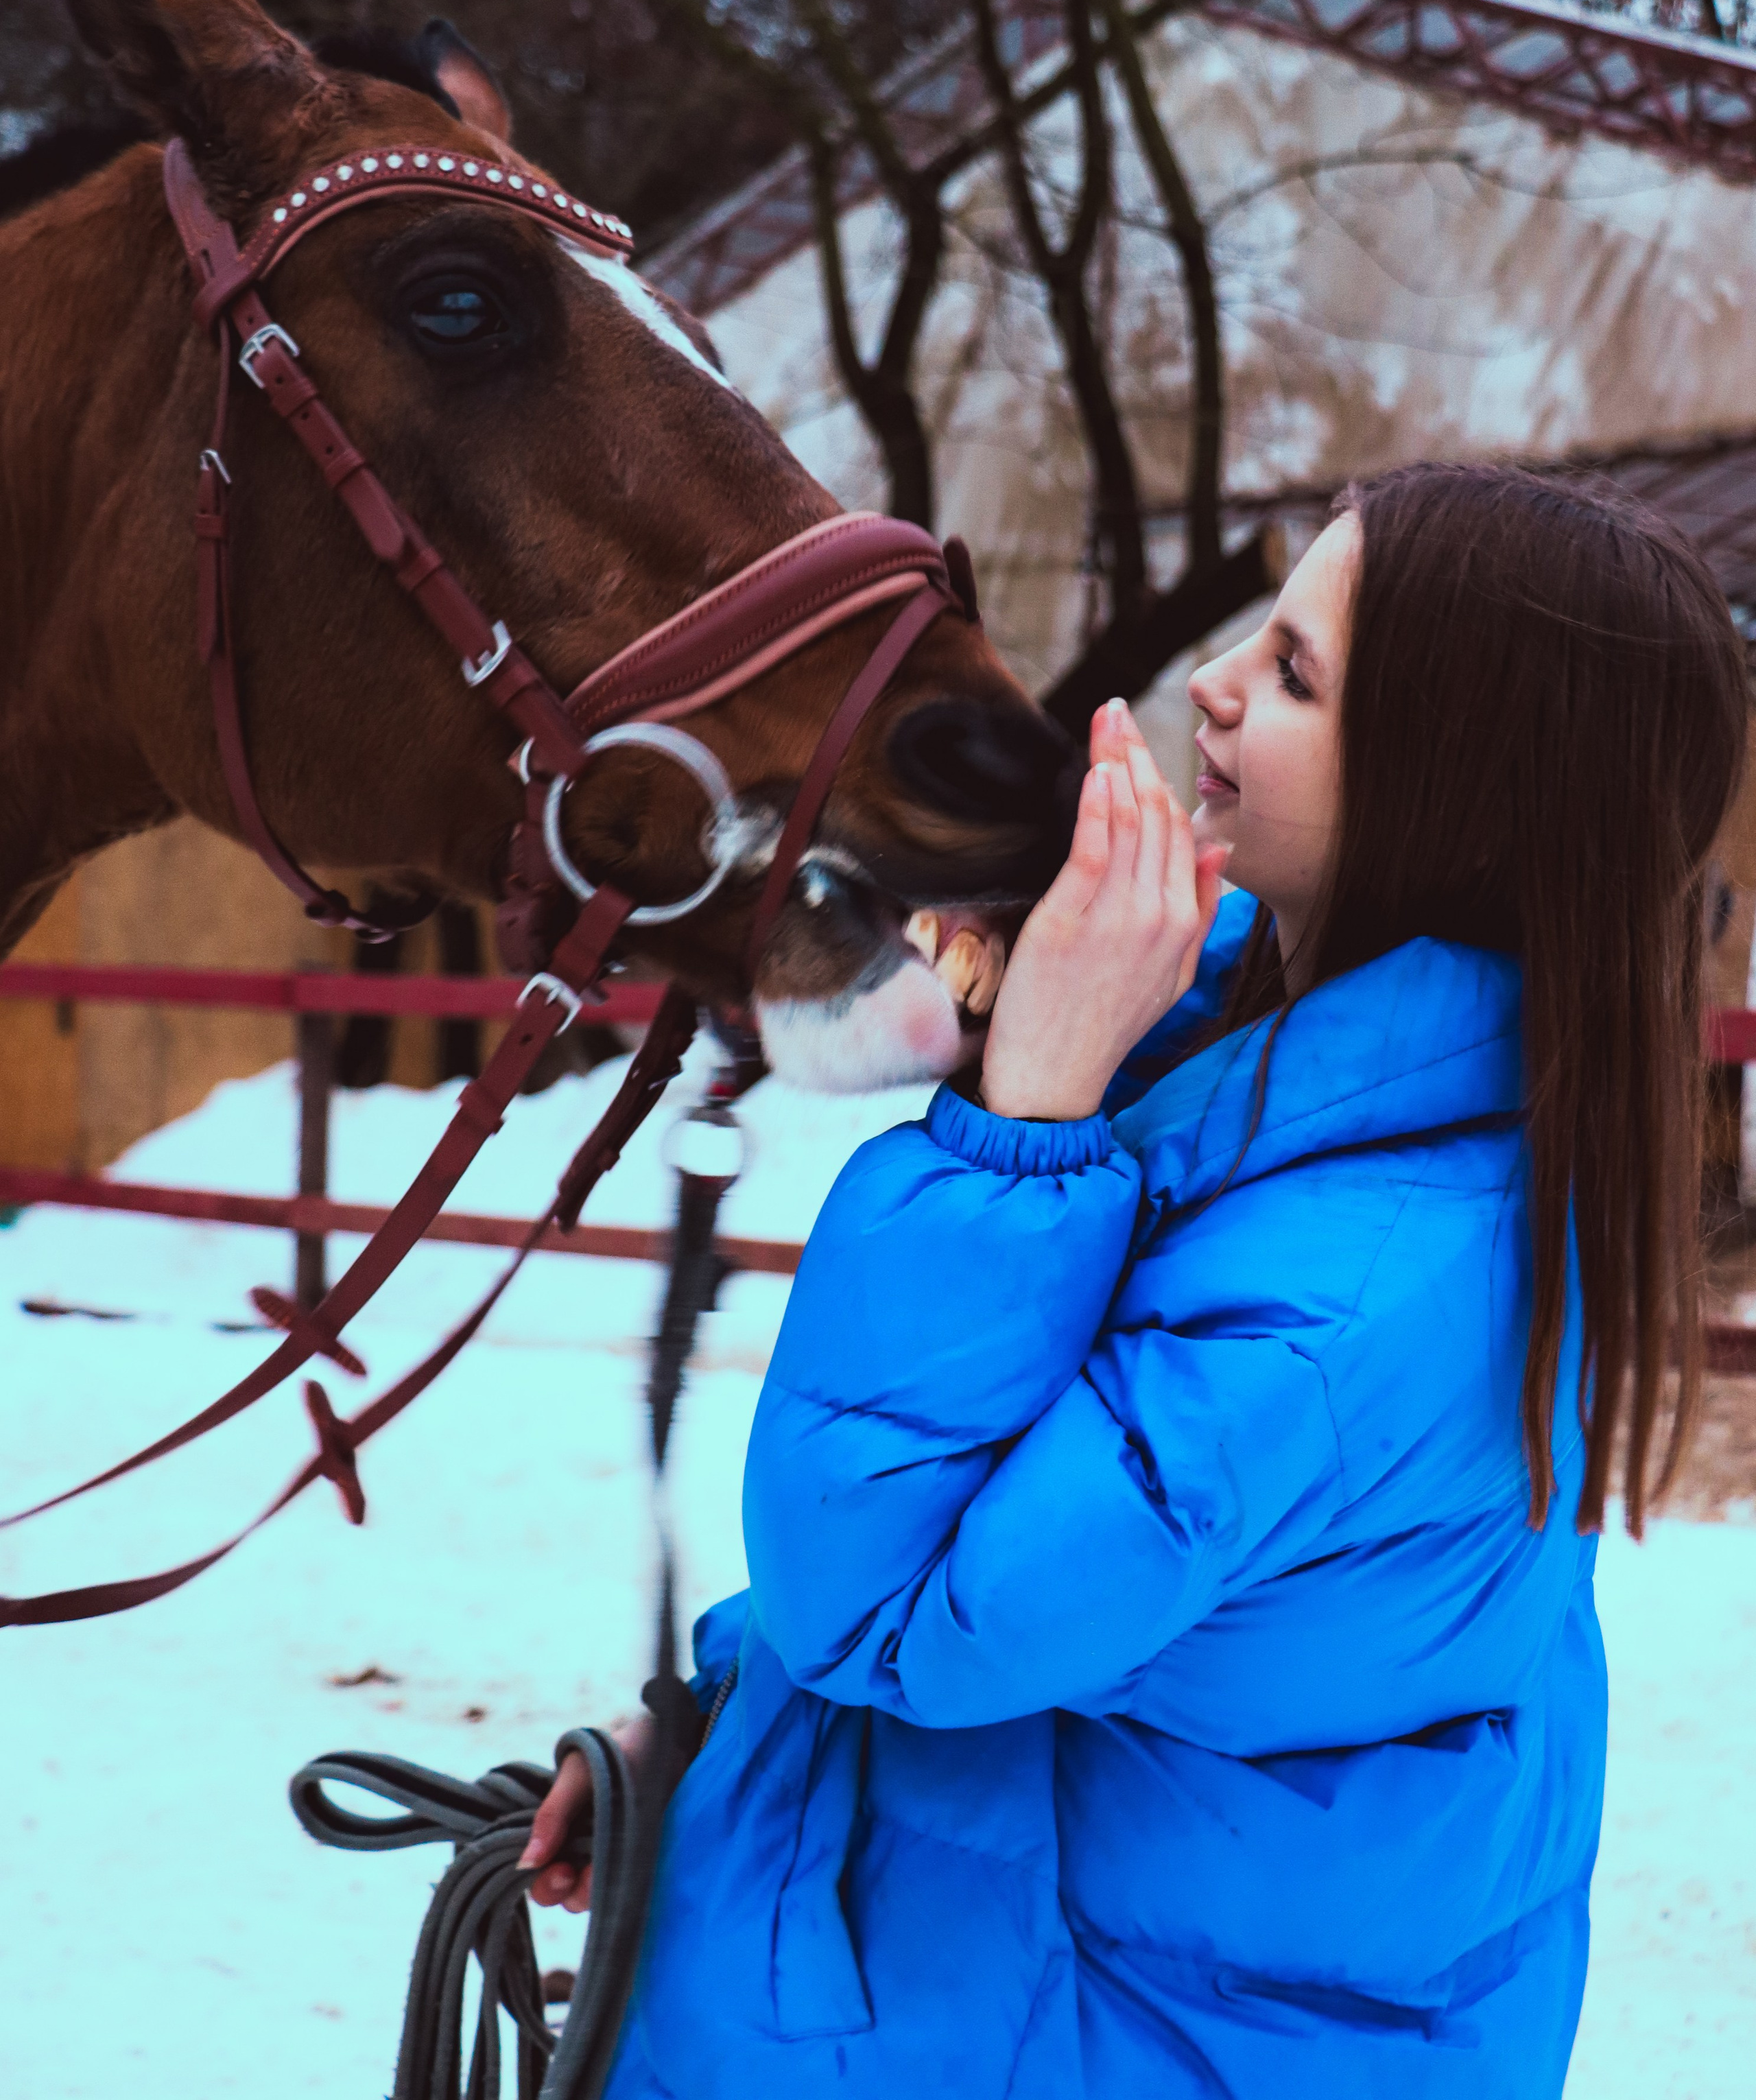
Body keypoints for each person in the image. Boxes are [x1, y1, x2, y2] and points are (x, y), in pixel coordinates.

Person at [521, 464, 1747, 2098]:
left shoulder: (1343, 1309)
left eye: (1296, 673)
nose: (1211, 681)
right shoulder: (1289, 1075)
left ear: (1446, 793)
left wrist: (1027, 1113)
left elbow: (891, 1609)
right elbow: (1062, 1582)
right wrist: (723, 1729)